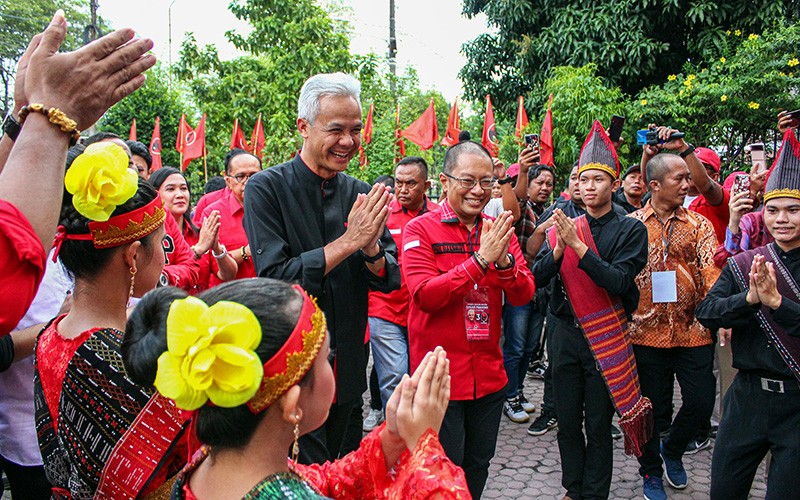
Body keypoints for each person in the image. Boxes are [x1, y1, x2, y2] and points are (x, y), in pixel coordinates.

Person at [125, 279, 468, 499]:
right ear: (292, 404)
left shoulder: (208, 461)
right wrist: (425, 448)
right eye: (326, 357)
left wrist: (391, 440)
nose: (332, 364)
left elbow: (315, 481)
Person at [243, 72, 400, 463]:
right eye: (336, 130)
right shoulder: (266, 188)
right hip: (295, 369)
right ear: (304, 127)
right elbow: (277, 278)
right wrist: (348, 242)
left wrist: (370, 247)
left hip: (348, 364)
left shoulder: (360, 192)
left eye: (355, 130)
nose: (348, 141)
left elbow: (388, 277)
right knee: (304, 474)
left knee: (344, 468)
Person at [33, 142, 187, 498]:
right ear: (133, 256)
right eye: (162, 244)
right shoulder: (122, 364)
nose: (165, 259)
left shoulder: (51, 335)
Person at [0, 11, 155, 337]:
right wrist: (51, 114)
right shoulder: (108, 354)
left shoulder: (63, 335)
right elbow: (11, 264)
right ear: (133, 255)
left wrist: (27, 113)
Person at [402, 140, 536, 498]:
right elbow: (425, 295)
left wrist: (504, 262)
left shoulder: (498, 228)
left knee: (478, 463)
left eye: (486, 182)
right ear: (445, 181)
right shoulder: (420, 230)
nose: (478, 191)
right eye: (468, 181)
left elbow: (524, 294)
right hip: (440, 381)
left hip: (489, 377)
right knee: (442, 467)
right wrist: (480, 261)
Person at [532, 121, 650, 500]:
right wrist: (558, 250)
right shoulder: (566, 227)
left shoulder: (631, 230)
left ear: (613, 185)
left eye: (598, 179)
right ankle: (574, 488)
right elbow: (536, 278)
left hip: (605, 334)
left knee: (598, 425)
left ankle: (596, 493)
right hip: (565, 333)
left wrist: (579, 248)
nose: (589, 186)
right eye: (583, 180)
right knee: (567, 422)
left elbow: (619, 282)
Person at [696, 128, 800, 500]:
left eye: (793, 210)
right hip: (747, 397)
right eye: (773, 210)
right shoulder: (745, 263)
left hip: (796, 402)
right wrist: (750, 299)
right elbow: (707, 312)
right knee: (725, 490)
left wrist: (778, 304)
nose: (781, 219)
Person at [628, 153, 720, 499]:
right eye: (678, 178)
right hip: (644, 332)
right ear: (654, 185)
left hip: (694, 329)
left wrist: (718, 311)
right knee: (652, 410)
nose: (687, 184)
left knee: (701, 402)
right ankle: (651, 471)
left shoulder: (700, 225)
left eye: (687, 178)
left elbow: (712, 272)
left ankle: (674, 449)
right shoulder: (632, 225)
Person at [368, 156, 437, 410]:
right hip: (384, 308)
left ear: (426, 186)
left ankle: (422, 428)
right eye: (399, 183)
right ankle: (395, 430)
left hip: (424, 312)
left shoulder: (439, 216)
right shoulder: (381, 214)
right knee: (394, 377)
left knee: (422, 377)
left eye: (411, 183)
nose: (403, 189)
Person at [149, 166, 237, 292]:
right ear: (156, 195)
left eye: (183, 189)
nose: (180, 195)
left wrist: (216, 247)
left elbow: (228, 275)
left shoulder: (202, 231)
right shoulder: (150, 235)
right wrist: (198, 250)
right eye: (170, 189)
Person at [203, 149, 262, 284]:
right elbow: (212, 265)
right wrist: (245, 252)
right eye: (240, 176)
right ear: (228, 181)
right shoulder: (213, 214)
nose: (248, 181)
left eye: (254, 175)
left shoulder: (274, 208)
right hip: (232, 292)